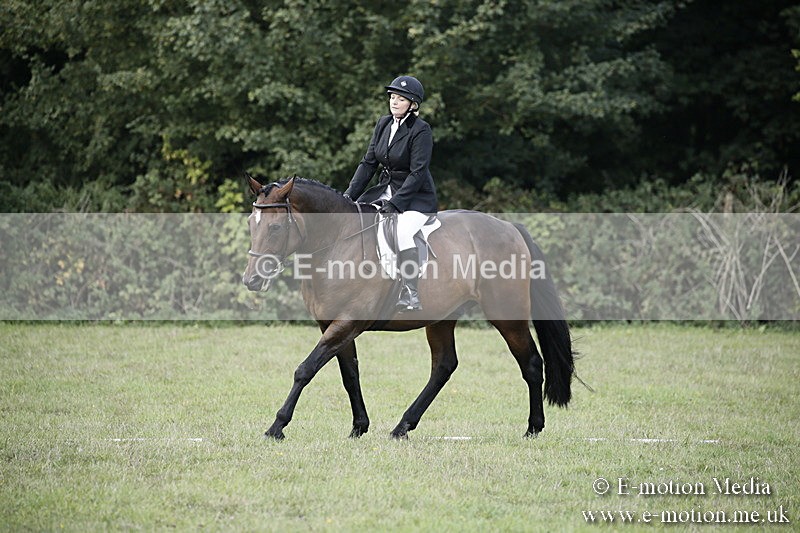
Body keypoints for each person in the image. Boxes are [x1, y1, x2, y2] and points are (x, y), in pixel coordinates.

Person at [344, 75, 438, 312]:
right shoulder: (384, 124)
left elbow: (417, 173)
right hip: (384, 191)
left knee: (402, 232)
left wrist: (396, 203)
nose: (394, 102)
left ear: (413, 104)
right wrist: (347, 197)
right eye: (392, 97)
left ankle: (410, 291)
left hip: (415, 197)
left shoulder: (421, 130)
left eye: (401, 98)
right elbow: (368, 164)